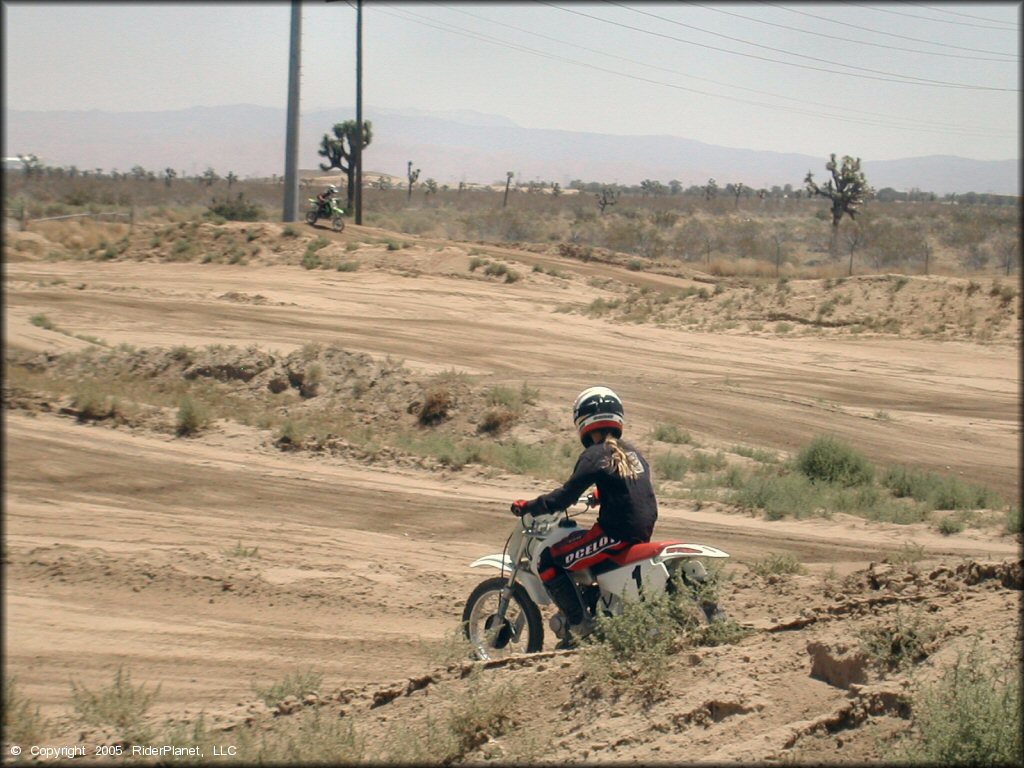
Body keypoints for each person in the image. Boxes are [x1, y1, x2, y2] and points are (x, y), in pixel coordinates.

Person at [511, 386, 658, 648]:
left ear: (583, 420)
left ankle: (581, 626)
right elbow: (630, 487)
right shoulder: (633, 453)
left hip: (614, 534)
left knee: (549, 560)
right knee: (580, 551)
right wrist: (601, 496)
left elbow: (565, 497)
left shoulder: (595, 454)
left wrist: (531, 505)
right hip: (640, 531)